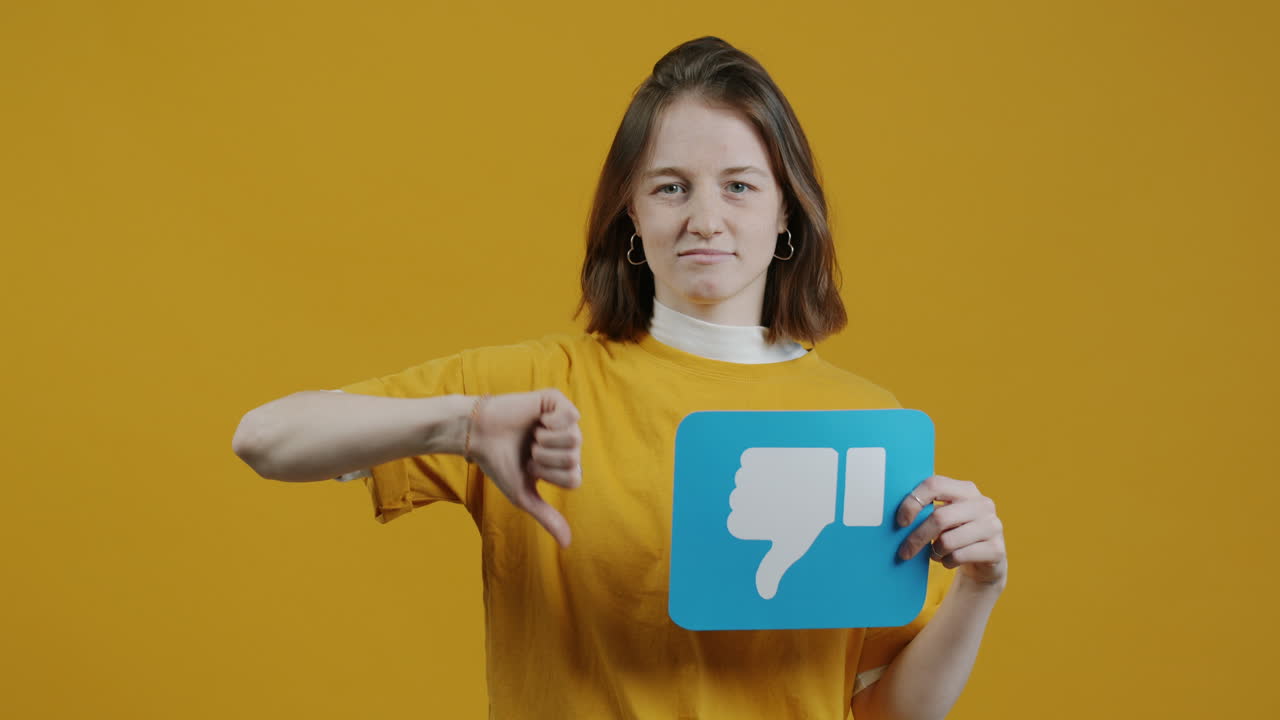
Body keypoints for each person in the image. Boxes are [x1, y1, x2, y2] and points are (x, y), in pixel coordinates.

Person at [233, 36, 1007, 719]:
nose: (705, 218)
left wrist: (978, 587)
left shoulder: (863, 424)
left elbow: (884, 712)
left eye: (739, 185)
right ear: (630, 213)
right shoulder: (532, 390)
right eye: (671, 186)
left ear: (787, 216)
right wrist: (460, 424)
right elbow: (265, 438)